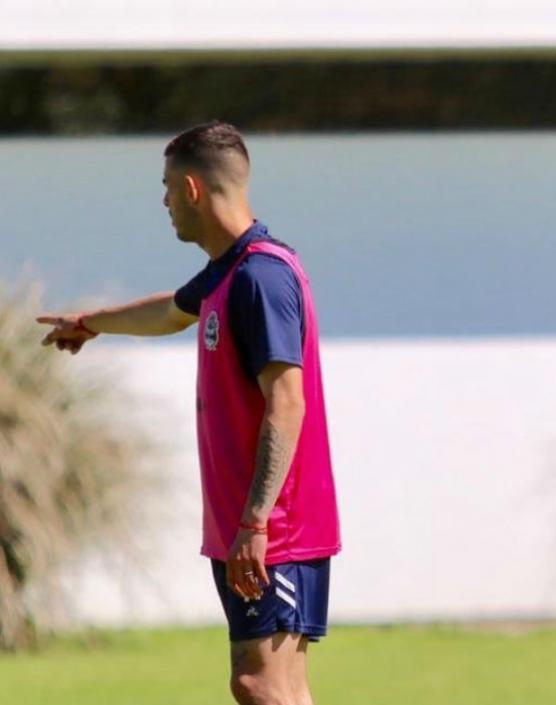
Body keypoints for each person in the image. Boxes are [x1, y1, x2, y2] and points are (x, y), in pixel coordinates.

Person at [38, 121, 340, 705]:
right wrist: (92, 323)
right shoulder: (228, 273)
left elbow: (287, 402)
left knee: (260, 686)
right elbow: (171, 312)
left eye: (168, 188)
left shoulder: (261, 276)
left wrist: (254, 524)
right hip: (249, 528)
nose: (165, 202)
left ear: (194, 190)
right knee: (278, 689)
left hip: (273, 529)